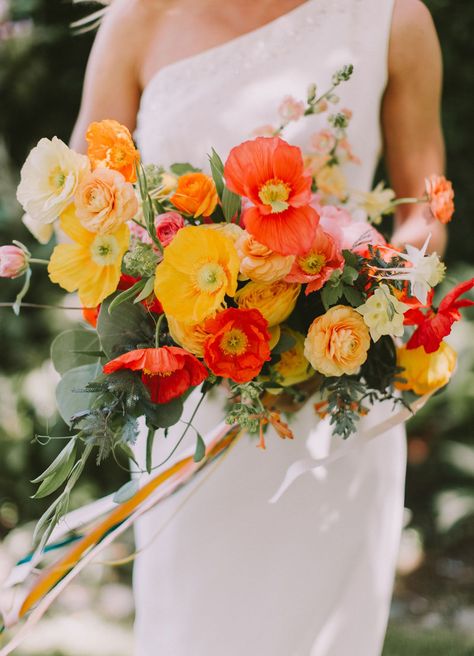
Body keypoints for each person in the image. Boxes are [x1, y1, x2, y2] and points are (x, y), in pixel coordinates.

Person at [71, 1, 447, 654]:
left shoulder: (391, 18)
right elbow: (78, 208)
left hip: (334, 394)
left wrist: (367, 282)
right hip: (192, 408)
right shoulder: (138, 20)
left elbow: (428, 203)